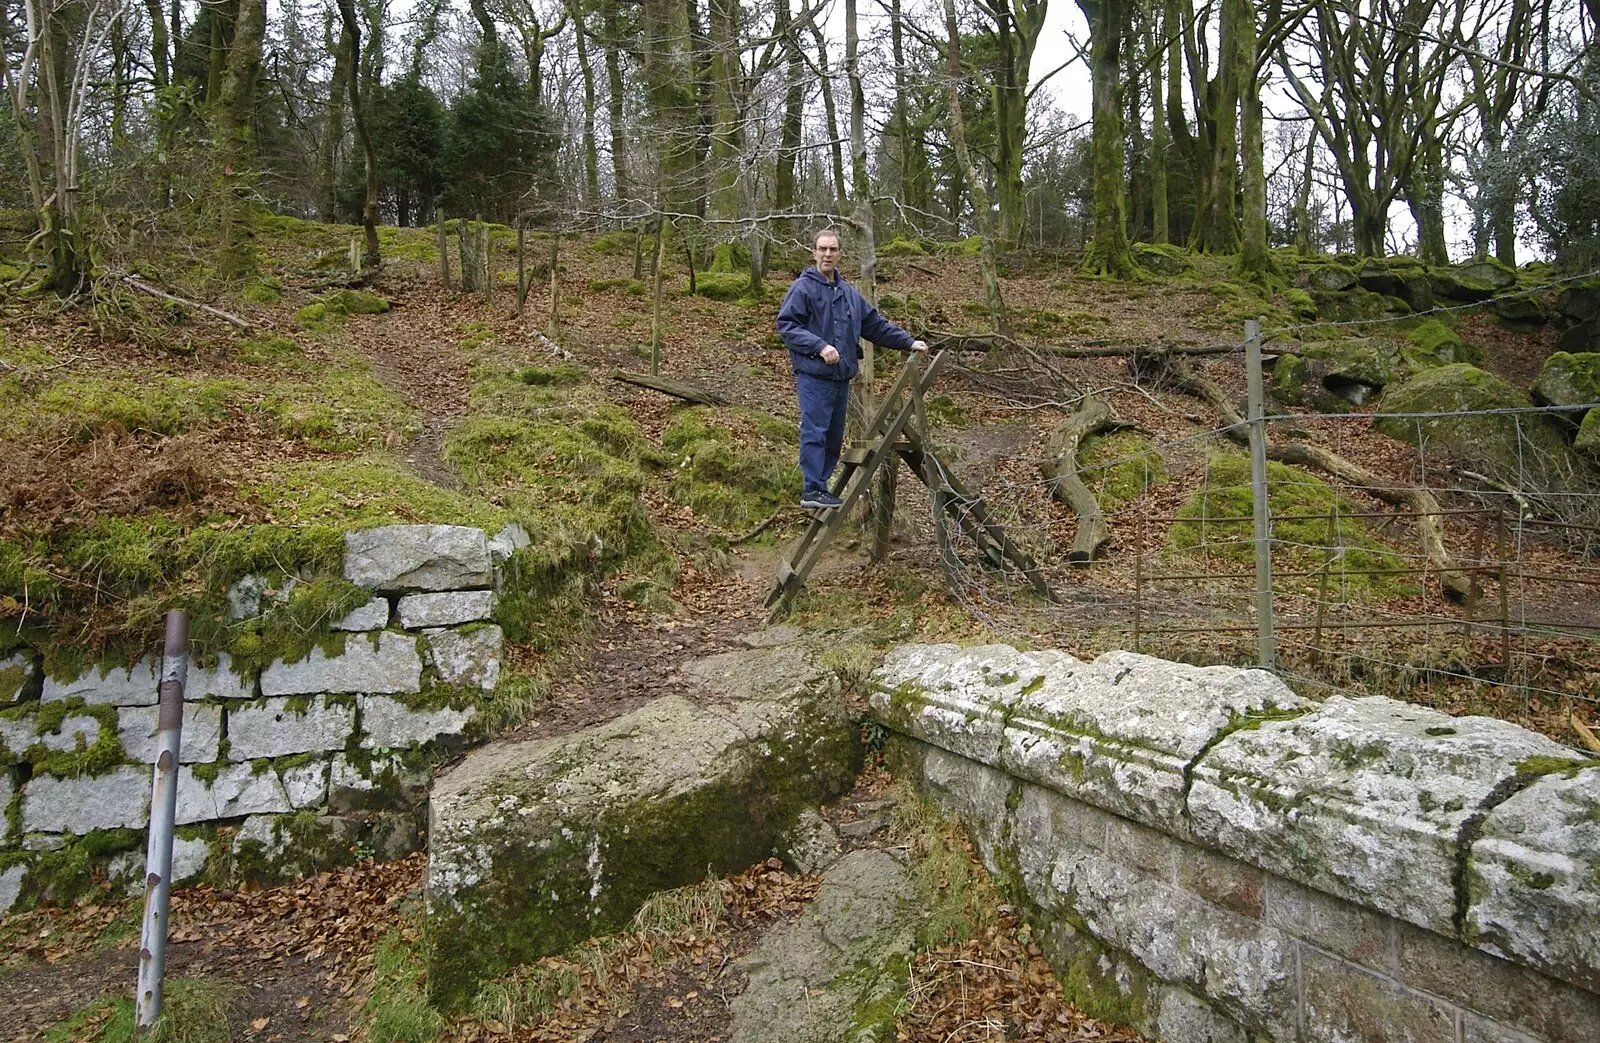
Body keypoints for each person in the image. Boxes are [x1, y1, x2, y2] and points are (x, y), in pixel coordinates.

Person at [776, 229, 928, 509]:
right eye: (822, 249)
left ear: (840, 254)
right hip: (814, 376)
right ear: (814, 252)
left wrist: (908, 342)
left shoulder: (848, 294)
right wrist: (820, 346)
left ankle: (820, 489)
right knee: (815, 431)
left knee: (834, 436)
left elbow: (875, 326)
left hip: (841, 378)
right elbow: (787, 326)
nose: (827, 254)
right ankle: (812, 488)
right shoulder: (802, 288)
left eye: (832, 249)